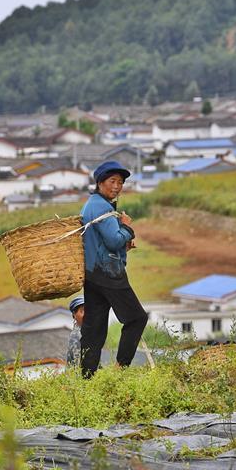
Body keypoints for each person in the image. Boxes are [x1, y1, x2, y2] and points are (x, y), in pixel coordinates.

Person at [80, 161, 148, 378]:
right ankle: (121, 369)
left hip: (92, 274)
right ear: (100, 183)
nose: (117, 186)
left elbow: (104, 242)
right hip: (109, 273)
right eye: (112, 181)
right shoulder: (102, 206)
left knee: (94, 328)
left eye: (120, 182)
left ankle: (86, 378)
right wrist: (127, 227)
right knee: (136, 318)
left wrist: (123, 243)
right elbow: (112, 241)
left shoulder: (92, 203)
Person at [66, 296, 85, 367]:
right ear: (74, 314)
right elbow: (77, 366)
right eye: (82, 311)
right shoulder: (76, 336)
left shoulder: (87, 332)